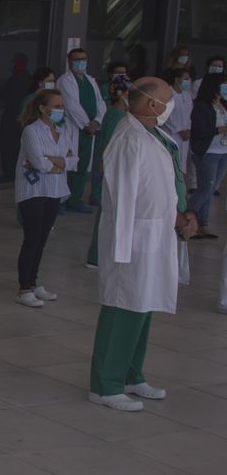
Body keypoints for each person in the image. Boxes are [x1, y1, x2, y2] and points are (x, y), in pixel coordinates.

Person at [90, 79, 194, 412]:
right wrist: (122, 249)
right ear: (152, 105)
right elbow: (121, 197)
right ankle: (105, 385)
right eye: (168, 100)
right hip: (133, 239)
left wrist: (180, 219)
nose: (171, 106)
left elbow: (163, 185)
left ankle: (133, 375)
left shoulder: (156, 135)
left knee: (144, 306)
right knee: (124, 307)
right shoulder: (128, 138)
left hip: (155, 234)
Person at [16, 90, 78, 308]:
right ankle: (24, 288)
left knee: (42, 240)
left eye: (62, 105)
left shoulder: (62, 131)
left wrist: (56, 161)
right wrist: (59, 162)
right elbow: (38, 162)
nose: (61, 110)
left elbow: (74, 161)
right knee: (32, 239)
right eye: (57, 105)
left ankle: (33, 282)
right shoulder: (31, 131)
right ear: (43, 108)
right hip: (34, 191)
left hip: (55, 190)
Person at [84, 77, 131, 268]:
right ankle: (96, 256)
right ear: (122, 95)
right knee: (107, 215)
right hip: (111, 173)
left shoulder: (119, 114)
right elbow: (108, 149)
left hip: (112, 172)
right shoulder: (116, 117)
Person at [57, 48, 105, 212]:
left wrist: (97, 121)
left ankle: (75, 200)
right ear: (69, 62)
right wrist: (87, 124)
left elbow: (101, 104)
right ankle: (61, 201)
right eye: (77, 60)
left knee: (83, 166)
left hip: (89, 130)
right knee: (69, 164)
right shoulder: (65, 81)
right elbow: (71, 106)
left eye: (83, 59)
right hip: (75, 128)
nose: (80, 62)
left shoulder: (91, 81)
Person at [187, 75, 227, 240]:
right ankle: (185, 218)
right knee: (204, 190)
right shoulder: (201, 106)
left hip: (222, 152)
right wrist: (221, 130)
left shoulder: (222, 105)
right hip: (207, 152)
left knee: (211, 189)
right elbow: (200, 130)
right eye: (224, 85)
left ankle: (203, 224)